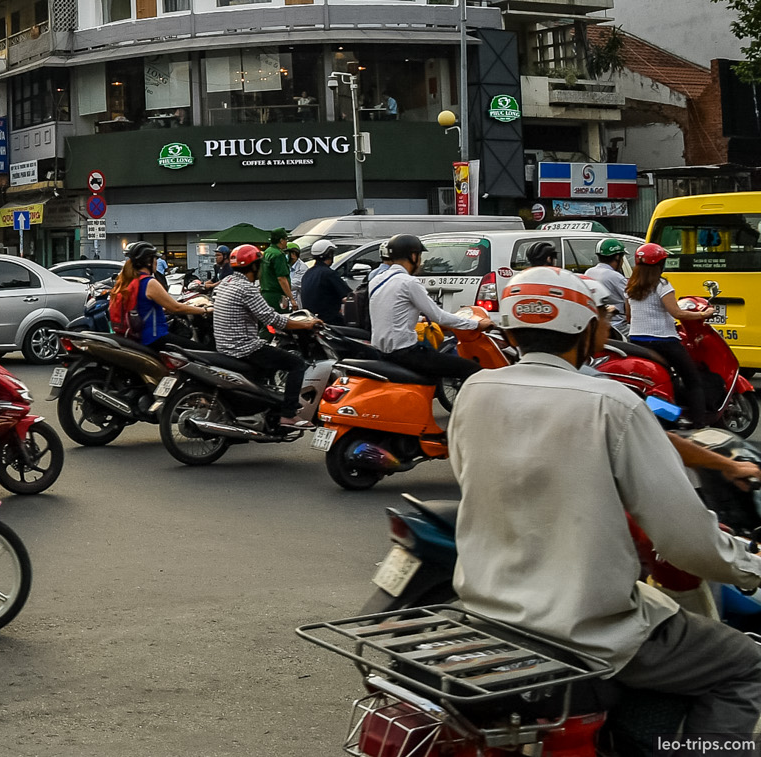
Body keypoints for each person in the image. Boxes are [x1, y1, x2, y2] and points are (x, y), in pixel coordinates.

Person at [450, 266, 761, 745]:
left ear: (510, 330)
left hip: (487, 612)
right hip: (590, 631)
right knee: (745, 664)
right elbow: (685, 541)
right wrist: (748, 566)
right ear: (586, 328)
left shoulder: (475, 391)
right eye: (600, 317)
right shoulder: (612, 402)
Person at [367, 233, 494, 400]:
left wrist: (419, 320)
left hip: (381, 352)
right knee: (471, 369)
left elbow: (392, 313)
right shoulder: (409, 282)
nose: (420, 261)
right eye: (420, 256)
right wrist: (476, 324)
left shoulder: (377, 280)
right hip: (406, 354)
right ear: (413, 256)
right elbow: (439, 316)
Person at [212, 244, 321, 425]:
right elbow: (273, 319)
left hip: (224, 346)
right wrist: (306, 324)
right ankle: (288, 414)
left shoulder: (226, 283)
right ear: (254, 266)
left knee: (269, 363)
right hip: (244, 348)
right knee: (296, 364)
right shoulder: (247, 289)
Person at [626, 241, 709, 425]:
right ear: (660, 265)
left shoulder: (631, 286)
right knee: (693, 379)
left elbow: (629, 317)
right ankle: (700, 424)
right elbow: (677, 313)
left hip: (636, 342)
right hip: (663, 341)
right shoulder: (661, 284)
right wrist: (704, 313)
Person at [109, 240, 210, 347]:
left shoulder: (128, 281)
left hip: (138, 336)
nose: (157, 262)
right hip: (154, 337)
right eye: (155, 258)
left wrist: (165, 309)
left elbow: (141, 308)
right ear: (148, 262)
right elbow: (176, 308)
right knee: (202, 351)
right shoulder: (148, 282)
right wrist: (205, 310)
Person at [296, 239, 352, 324]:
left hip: (311, 320)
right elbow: (348, 298)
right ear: (329, 254)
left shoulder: (308, 273)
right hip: (329, 321)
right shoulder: (328, 273)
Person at [584, 235, 632, 332]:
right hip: (618, 326)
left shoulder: (589, 272)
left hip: (596, 323)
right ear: (617, 257)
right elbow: (631, 301)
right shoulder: (616, 277)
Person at [258, 234, 297, 310]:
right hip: (277, 297)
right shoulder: (278, 255)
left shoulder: (267, 252)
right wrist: (291, 298)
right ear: (281, 241)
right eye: (286, 240)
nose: (286, 242)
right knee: (281, 320)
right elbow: (281, 278)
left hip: (265, 295)